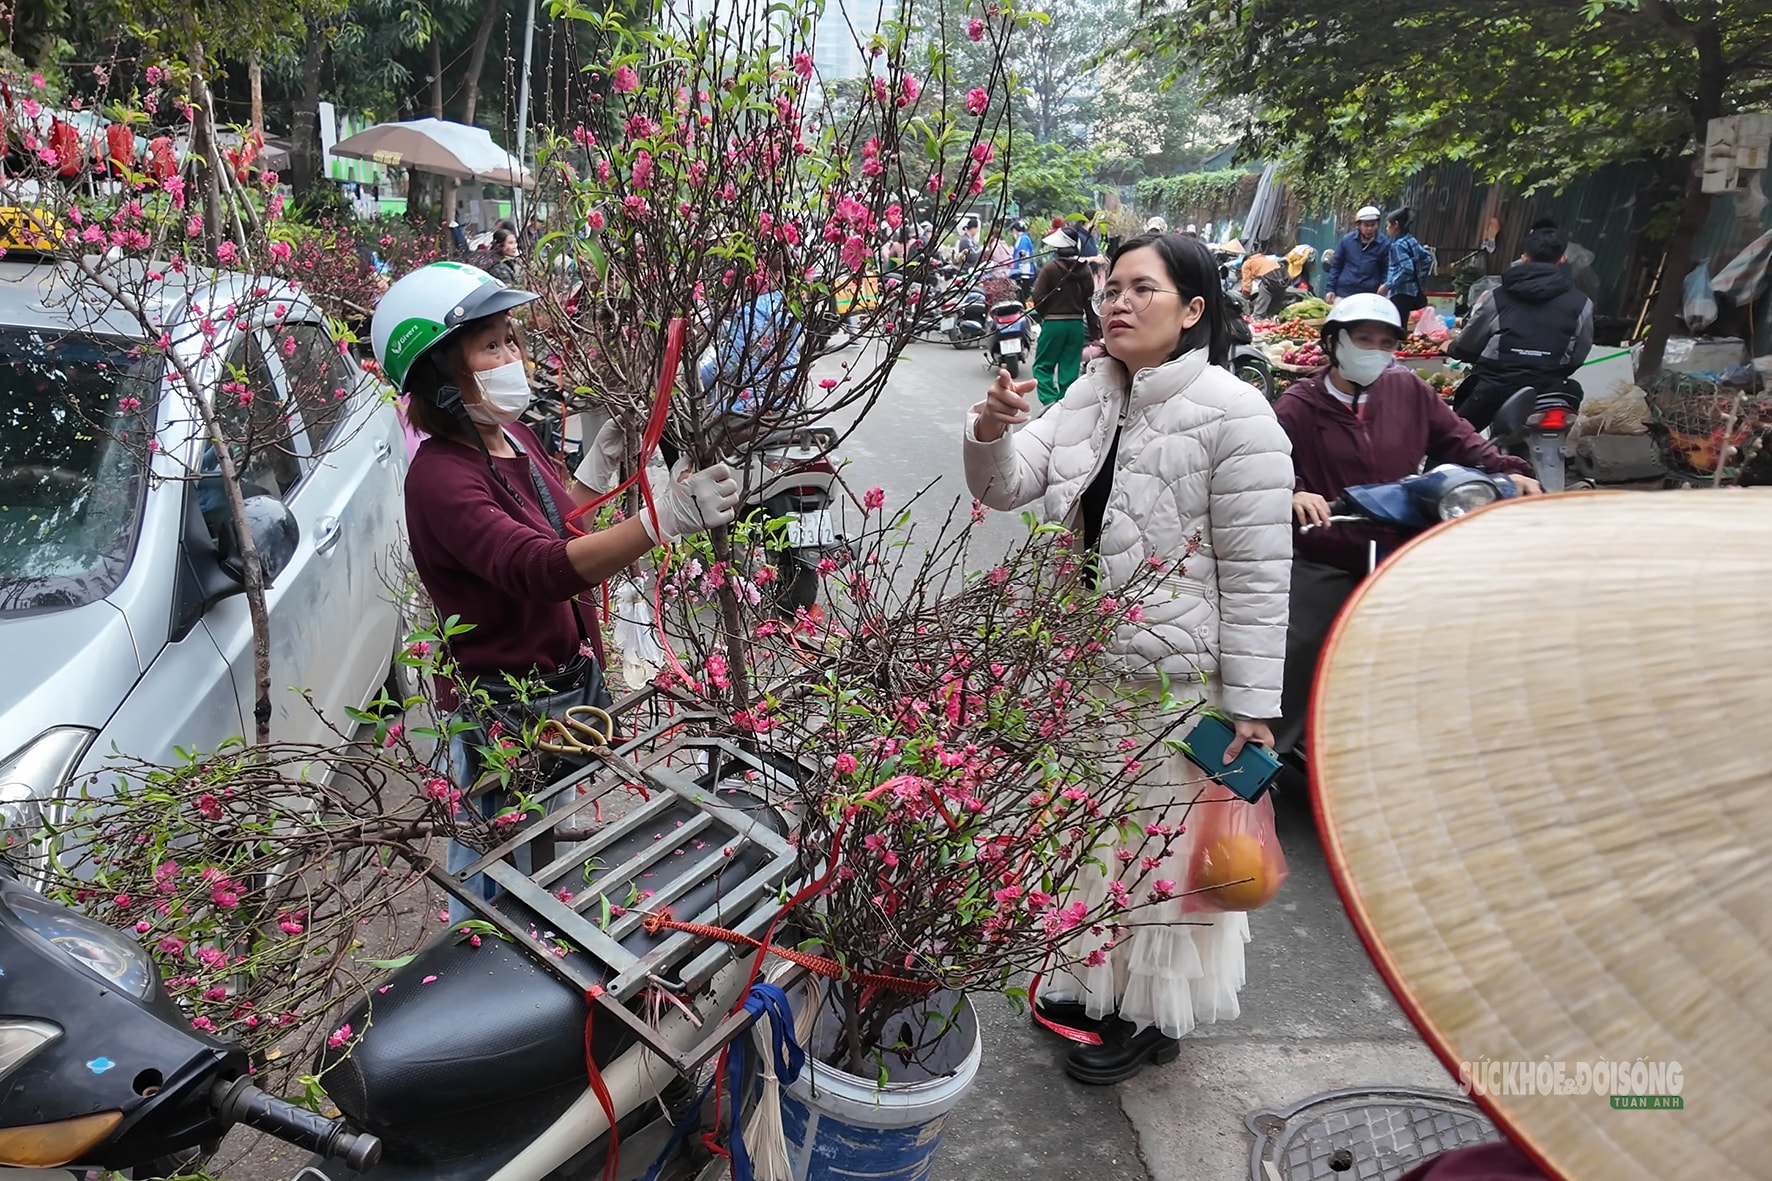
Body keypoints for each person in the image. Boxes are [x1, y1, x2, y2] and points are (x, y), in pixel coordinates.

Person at [963, 231, 1293, 1084]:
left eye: (1142, 289)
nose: (1117, 301)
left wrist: (1252, 705)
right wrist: (991, 427)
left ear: (1192, 311)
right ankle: (1093, 988)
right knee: (1089, 843)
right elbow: (1004, 485)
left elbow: (1259, 574)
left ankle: (1149, 1017)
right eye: (1112, 287)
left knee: (1163, 857)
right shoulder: (1088, 392)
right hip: (1084, 671)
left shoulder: (1236, 413)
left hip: (1177, 686)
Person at [371, 261, 740, 902]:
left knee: (539, 847)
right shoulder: (440, 479)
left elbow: (559, 523)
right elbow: (539, 568)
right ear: (437, 374)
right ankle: (481, 977)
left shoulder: (507, 436)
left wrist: (602, 464)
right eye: (491, 345)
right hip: (505, 711)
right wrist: (665, 519)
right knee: (493, 870)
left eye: (512, 338)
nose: (513, 354)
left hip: (560, 692)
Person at [1271, 293, 1539, 755]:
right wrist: (1296, 490)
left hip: (1400, 545)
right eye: (1363, 339)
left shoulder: (1409, 391)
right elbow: (1268, 463)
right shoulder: (1298, 405)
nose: (1374, 350)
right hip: (1328, 548)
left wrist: (1508, 469)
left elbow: (1461, 439)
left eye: (1384, 342)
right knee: (1295, 651)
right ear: (1334, 342)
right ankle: (1262, 754)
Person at [1447, 219, 1595, 431]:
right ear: (1562, 259)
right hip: (1550, 390)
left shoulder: (1496, 296)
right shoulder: (1582, 303)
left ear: (1524, 257)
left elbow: (1469, 345)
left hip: (1495, 388)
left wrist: (1453, 348)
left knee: (1451, 441)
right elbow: (1580, 352)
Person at [1027, 226, 1098, 409]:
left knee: (1043, 366)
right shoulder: (1085, 270)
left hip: (1053, 324)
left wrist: (1046, 315)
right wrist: (1095, 334)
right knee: (1069, 368)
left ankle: (1049, 401)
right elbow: (1090, 304)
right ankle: (1064, 405)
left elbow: (1038, 297)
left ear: (1058, 249)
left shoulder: (1051, 268)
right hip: (1075, 325)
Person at [1324, 205, 1389, 302]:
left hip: (1370, 297)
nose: (1370, 229)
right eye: (1366, 225)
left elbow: (1386, 269)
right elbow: (1336, 266)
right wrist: (1330, 289)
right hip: (1344, 294)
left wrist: (1384, 285)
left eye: (1373, 225)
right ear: (1358, 225)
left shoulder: (1384, 244)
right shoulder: (1347, 241)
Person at [1378, 206, 1432, 323]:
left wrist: (1387, 285)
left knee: (1397, 325)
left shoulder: (1397, 245)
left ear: (1396, 225)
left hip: (1400, 293)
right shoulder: (1411, 240)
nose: (1387, 229)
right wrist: (1419, 280)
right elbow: (1427, 258)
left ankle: (1399, 342)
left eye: (1388, 225)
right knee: (1402, 323)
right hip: (1411, 292)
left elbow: (1406, 269)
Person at [1010, 219, 1036, 302]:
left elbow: (1020, 255)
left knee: (1022, 297)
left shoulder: (1022, 239)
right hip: (1026, 272)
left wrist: (1014, 270)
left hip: (1025, 272)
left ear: (1014, 230)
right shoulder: (1026, 238)